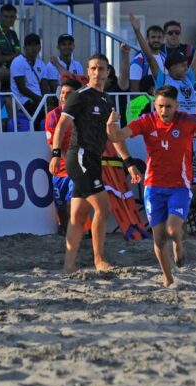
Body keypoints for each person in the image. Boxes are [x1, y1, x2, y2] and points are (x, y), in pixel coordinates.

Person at [107, 85, 196, 286]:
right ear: (154, 105)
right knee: (158, 239)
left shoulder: (188, 121)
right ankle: (168, 278)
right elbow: (116, 137)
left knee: (173, 229)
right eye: (160, 106)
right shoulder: (146, 120)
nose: (163, 111)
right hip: (153, 187)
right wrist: (111, 124)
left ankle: (179, 246)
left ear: (177, 106)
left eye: (168, 106)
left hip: (179, 186)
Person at [131, 13, 196, 240]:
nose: (185, 67)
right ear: (170, 67)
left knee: (194, 184)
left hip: (194, 136)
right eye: (180, 64)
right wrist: (138, 32)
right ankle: (181, 231)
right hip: (173, 135)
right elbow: (149, 56)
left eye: (184, 64)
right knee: (180, 182)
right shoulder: (163, 80)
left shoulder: (187, 78)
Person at [48, 53, 115, 273]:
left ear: (108, 72)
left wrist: (128, 160)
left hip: (95, 159)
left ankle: (69, 265)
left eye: (101, 69)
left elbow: (111, 135)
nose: (97, 73)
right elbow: (61, 125)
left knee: (77, 216)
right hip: (80, 157)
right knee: (103, 209)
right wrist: (56, 153)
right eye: (93, 68)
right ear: (87, 71)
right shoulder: (80, 95)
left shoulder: (107, 99)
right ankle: (99, 260)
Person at [45, 78, 83, 234]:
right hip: (60, 168)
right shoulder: (53, 116)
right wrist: (65, 160)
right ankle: (65, 229)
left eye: (68, 93)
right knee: (60, 205)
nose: (64, 96)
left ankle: (76, 232)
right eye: (62, 93)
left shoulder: (83, 114)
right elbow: (53, 143)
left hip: (78, 166)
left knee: (72, 202)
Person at [10, 33, 50, 117]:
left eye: (36, 45)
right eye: (30, 45)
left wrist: (46, 100)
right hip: (23, 101)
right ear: (25, 48)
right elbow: (22, 89)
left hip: (39, 101)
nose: (33, 48)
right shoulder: (17, 62)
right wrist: (41, 100)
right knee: (43, 114)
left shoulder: (41, 64)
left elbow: (44, 87)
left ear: (39, 48)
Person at [128, 24, 165, 92]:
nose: (156, 40)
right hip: (143, 101)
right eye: (153, 37)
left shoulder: (165, 58)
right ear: (147, 39)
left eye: (159, 37)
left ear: (163, 39)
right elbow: (135, 90)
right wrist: (150, 101)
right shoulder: (138, 60)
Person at [0, 3, 21, 85]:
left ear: (15, 18)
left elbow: (18, 54)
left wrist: (14, 56)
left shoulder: (13, 34)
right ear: (0, 16)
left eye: (12, 17)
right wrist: (14, 56)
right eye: (6, 17)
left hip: (13, 68)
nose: (9, 20)